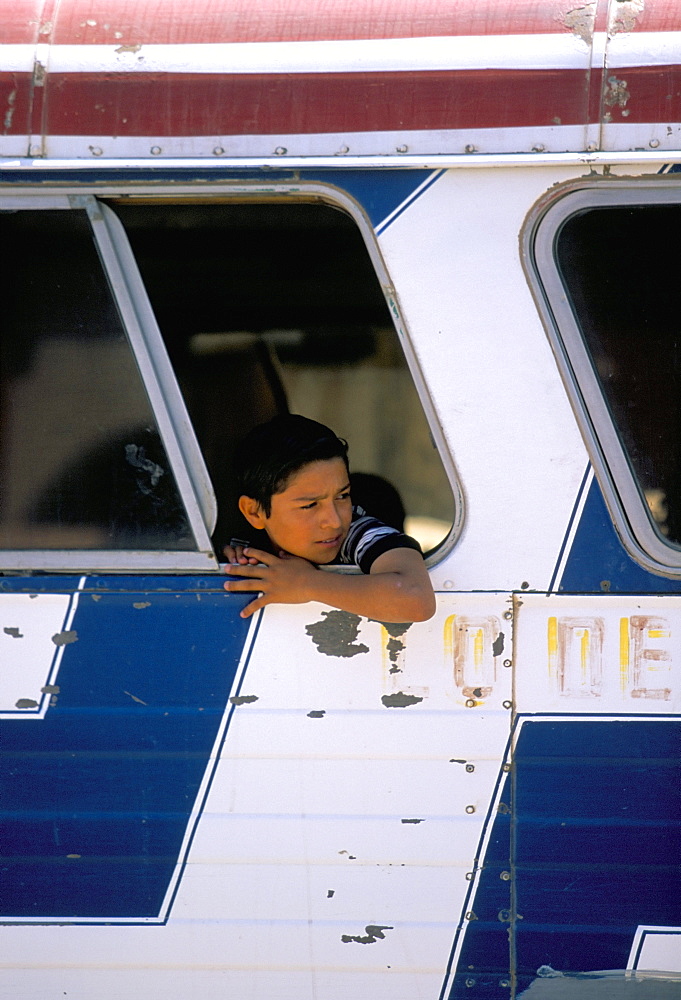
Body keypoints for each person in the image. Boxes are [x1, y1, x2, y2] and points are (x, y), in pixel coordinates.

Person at [223, 414, 436, 623]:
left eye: (342, 496)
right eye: (309, 505)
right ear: (253, 512)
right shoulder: (246, 548)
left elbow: (415, 599)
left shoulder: (359, 534)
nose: (334, 521)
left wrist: (306, 583)